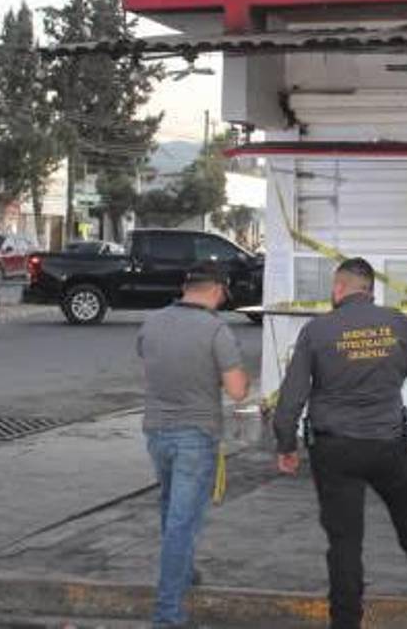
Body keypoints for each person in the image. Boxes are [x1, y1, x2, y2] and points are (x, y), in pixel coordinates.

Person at [273, 257, 407, 629]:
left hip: (335, 448)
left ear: (339, 288)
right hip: (387, 442)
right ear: (370, 289)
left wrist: (285, 444)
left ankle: (345, 620)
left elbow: (291, 397)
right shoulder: (399, 323)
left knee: (344, 538)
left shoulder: (317, 331)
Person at [136, 262, 250, 629]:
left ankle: (183, 573)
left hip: (156, 432)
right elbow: (237, 390)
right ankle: (168, 615)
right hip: (194, 437)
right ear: (217, 290)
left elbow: (151, 368)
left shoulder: (151, 322)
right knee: (183, 523)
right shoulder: (216, 330)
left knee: (171, 511)